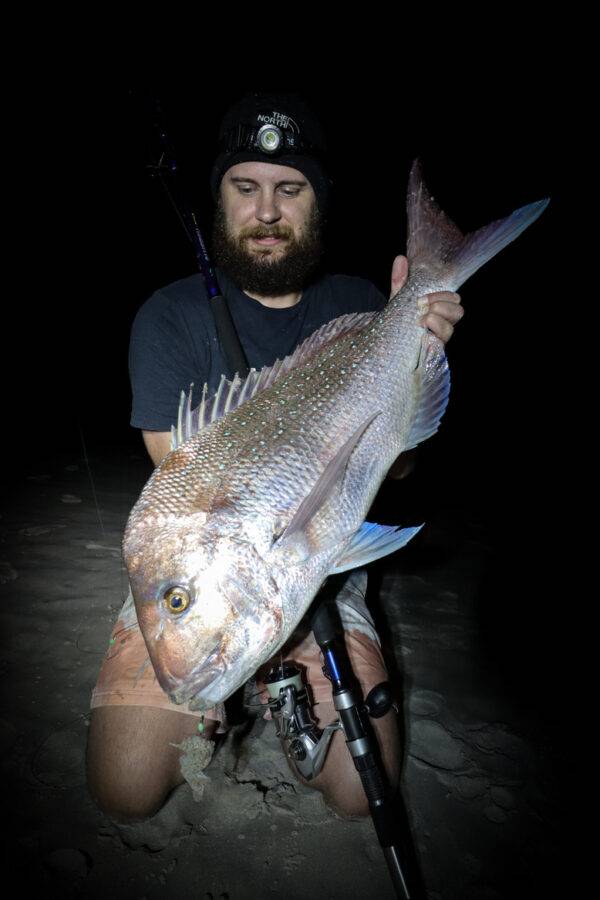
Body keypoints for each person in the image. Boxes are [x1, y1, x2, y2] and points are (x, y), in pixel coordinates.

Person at [86, 92, 464, 824]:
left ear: (316, 204)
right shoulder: (166, 319)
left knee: (362, 796)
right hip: (196, 582)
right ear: (219, 199)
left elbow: (400, 472)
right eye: (245, 187)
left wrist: (415, 354)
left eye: (289, 190)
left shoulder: (360, 303)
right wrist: (226, 632)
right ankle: (255, 672)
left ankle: (279, 679)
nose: (266, 211)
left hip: (317, 567)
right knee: (125, 788)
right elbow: (182, 510)